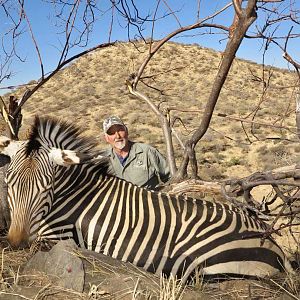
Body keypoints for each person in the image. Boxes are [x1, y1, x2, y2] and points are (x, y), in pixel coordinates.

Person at [102, 116, 170, 190]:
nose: (118, 136)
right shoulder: (102, 160)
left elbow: (170, 178)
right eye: (111, 133)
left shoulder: (148, 152)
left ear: (127, 131)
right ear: (106, 138)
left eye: (120, 130)